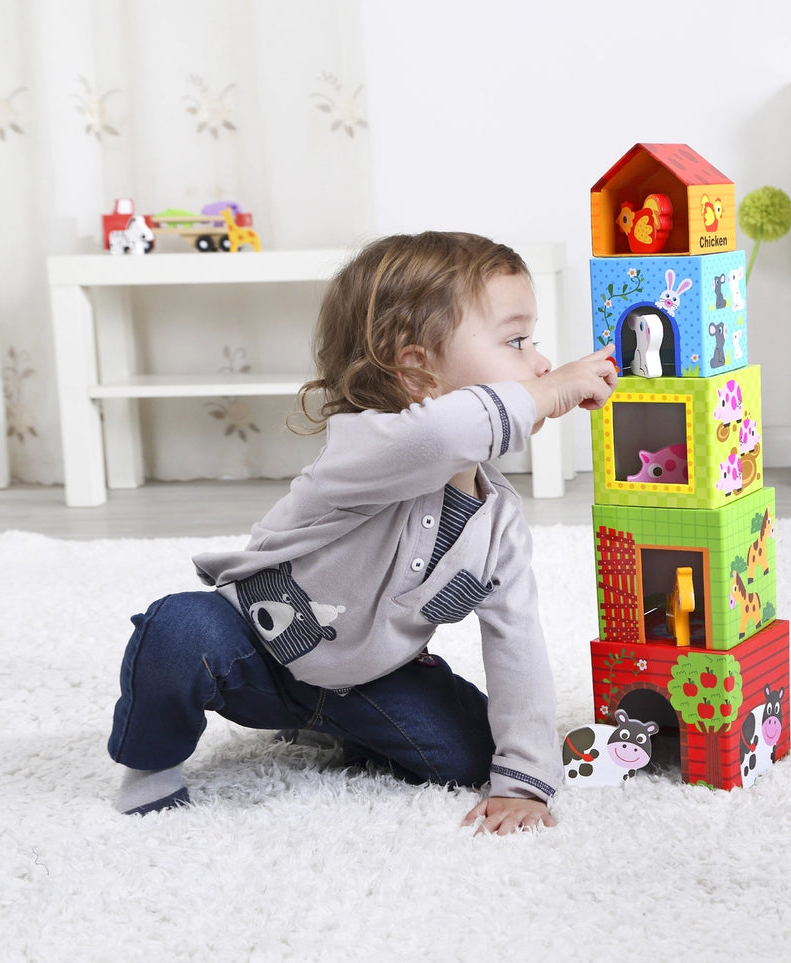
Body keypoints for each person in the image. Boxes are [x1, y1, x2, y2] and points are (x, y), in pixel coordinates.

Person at [106, 231, 617, 834]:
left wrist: (524, 780)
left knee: (470, 757)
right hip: (255, 651)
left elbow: (517, 643)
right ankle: (150, 766)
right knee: (178, 629)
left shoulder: (497, 520)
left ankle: (343, 730)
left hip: (368, 680)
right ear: (417, 372)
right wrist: (549, 392)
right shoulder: (367, 446)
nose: (538, 363)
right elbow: (440, 435)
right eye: (515, 340)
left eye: (532, 345)